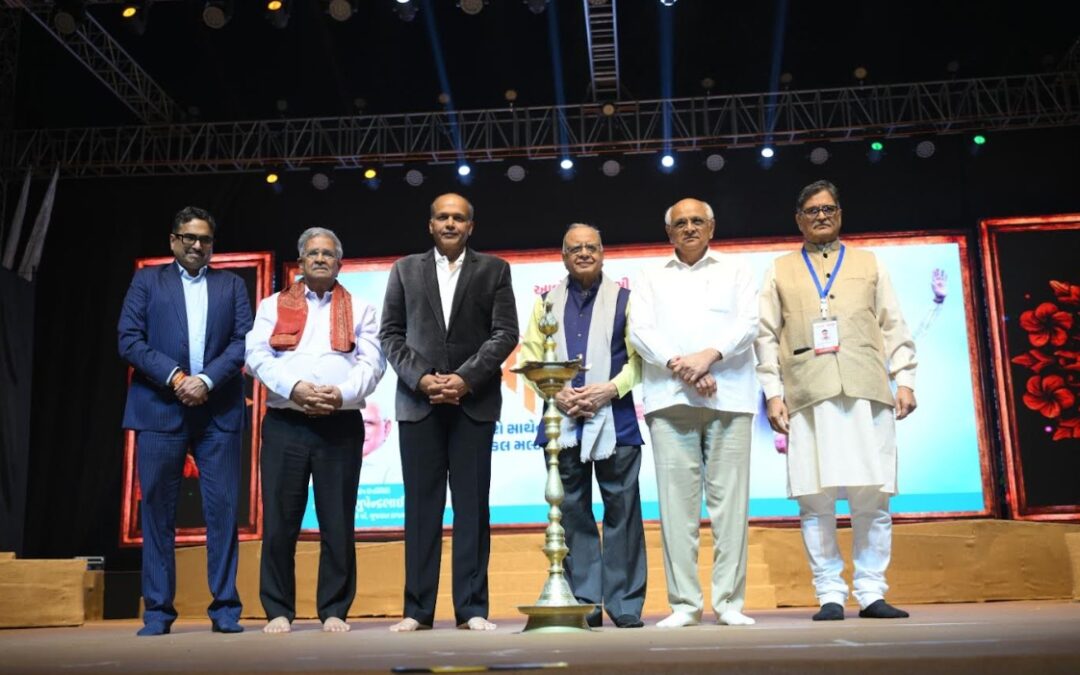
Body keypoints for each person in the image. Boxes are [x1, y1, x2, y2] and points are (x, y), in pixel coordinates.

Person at [754, 179, 917, 621]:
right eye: (812, 211)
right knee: (816, 498)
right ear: (798, 220)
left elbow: (893, 325)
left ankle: (870, 592)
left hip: (866, 391)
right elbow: (765, 336)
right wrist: (772, 394)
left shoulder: (869, 263)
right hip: (808, 394)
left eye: (828, 209)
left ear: (840, 214)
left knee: (873, 497)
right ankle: (829, 593)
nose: (821, 216)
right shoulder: (779, 269)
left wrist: (904, 379)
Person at [379, 193, 518, 632]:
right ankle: (417, 610)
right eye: (443, 217)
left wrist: (464, 378)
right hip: (418, 404)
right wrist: (423, 379)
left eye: (459, 218)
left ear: (471, 226)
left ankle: (472, 608)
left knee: (472, 509)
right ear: (430, 224)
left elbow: (504, 333)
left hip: (472, 404)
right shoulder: (404, 269)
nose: (451, 224)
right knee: (421, 510)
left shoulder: (494, 269)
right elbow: (390, 334)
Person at [118, 206, 252, 636]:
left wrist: (207, 380)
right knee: (157, 512)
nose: (197, 245)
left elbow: (243, 341)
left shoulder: (231, 285)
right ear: (173, 240)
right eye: (189, 238)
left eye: (205, 239)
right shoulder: (147, 281)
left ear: (213, 244)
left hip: (218, 411)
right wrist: (176, 377)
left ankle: (226, 609)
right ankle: (157, 613)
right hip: (159, 409)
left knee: (223, 510)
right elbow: (128, 340)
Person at [245, 227, 385, 634]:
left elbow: (372, 365)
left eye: (328, 254)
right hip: (287, 422)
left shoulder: (361, 309)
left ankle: (335, 609)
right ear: (301, 262)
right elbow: (256, 356)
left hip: (340, 423)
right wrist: (296, 389)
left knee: (337, 521)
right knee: (280, 522)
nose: (320, 259)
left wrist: (338, 395)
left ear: (340, 263)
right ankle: (277, 610)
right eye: (313, 253)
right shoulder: (273, 305)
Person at [628, 198, 759, 628]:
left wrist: (708, 356)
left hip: (729, 397)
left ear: (712, 226)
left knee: (730, 506)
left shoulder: (736, 271)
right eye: (680, 223)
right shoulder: (649, 276)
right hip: (670, 399)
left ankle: (729, 603)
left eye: (696, 221)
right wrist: (682, 366)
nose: (688, 228)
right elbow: (641, 331)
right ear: (669, 233)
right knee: (676, 508)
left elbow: (748, 324)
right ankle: (684, 604)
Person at [518, 224, 646, 629]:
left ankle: (624, 604)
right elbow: (529, 359)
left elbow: (639, 360)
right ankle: (586, 601)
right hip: (562, 420)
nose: (584, 253)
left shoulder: (626, 300)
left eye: (592, 247)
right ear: (563, 256)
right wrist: (557, 395)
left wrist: (608, 389)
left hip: (616, 419)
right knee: (572, 512)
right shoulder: (546, 304)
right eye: (576, 248)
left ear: (604, 254)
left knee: (622, 511)